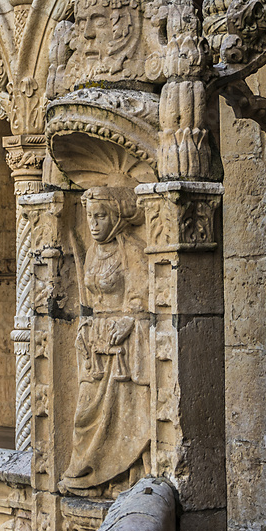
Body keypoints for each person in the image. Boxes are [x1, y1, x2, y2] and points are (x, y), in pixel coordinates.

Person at [60, 186, 149, 494]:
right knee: (85, 412)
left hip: (122, 348)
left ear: (116, 217)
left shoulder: (132, 251)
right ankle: (84, 471)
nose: (94, 224)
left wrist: (128, 324)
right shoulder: (93, 254)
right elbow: (89, 302)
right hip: (94, 346)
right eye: (90, 217)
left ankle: (120, 476)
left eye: (100, 216)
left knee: (121, 417)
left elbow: (145, 303)